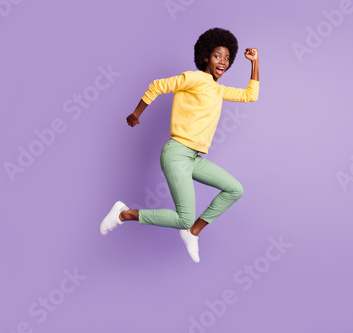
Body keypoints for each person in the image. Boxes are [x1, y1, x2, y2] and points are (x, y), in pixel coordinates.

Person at [99, 27, 259, 263]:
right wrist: (136, 113)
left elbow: (250, 95)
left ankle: (192, 233)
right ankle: (124, 214)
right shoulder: (194, 78)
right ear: (206, 56)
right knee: (184, 216)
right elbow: (158, 85)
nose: (223, 61)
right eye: (217, 55)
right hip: (176, 153)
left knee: (235, 189)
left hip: (192, 158)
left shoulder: (217, 89)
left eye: (227, 58)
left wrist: (255, 62)